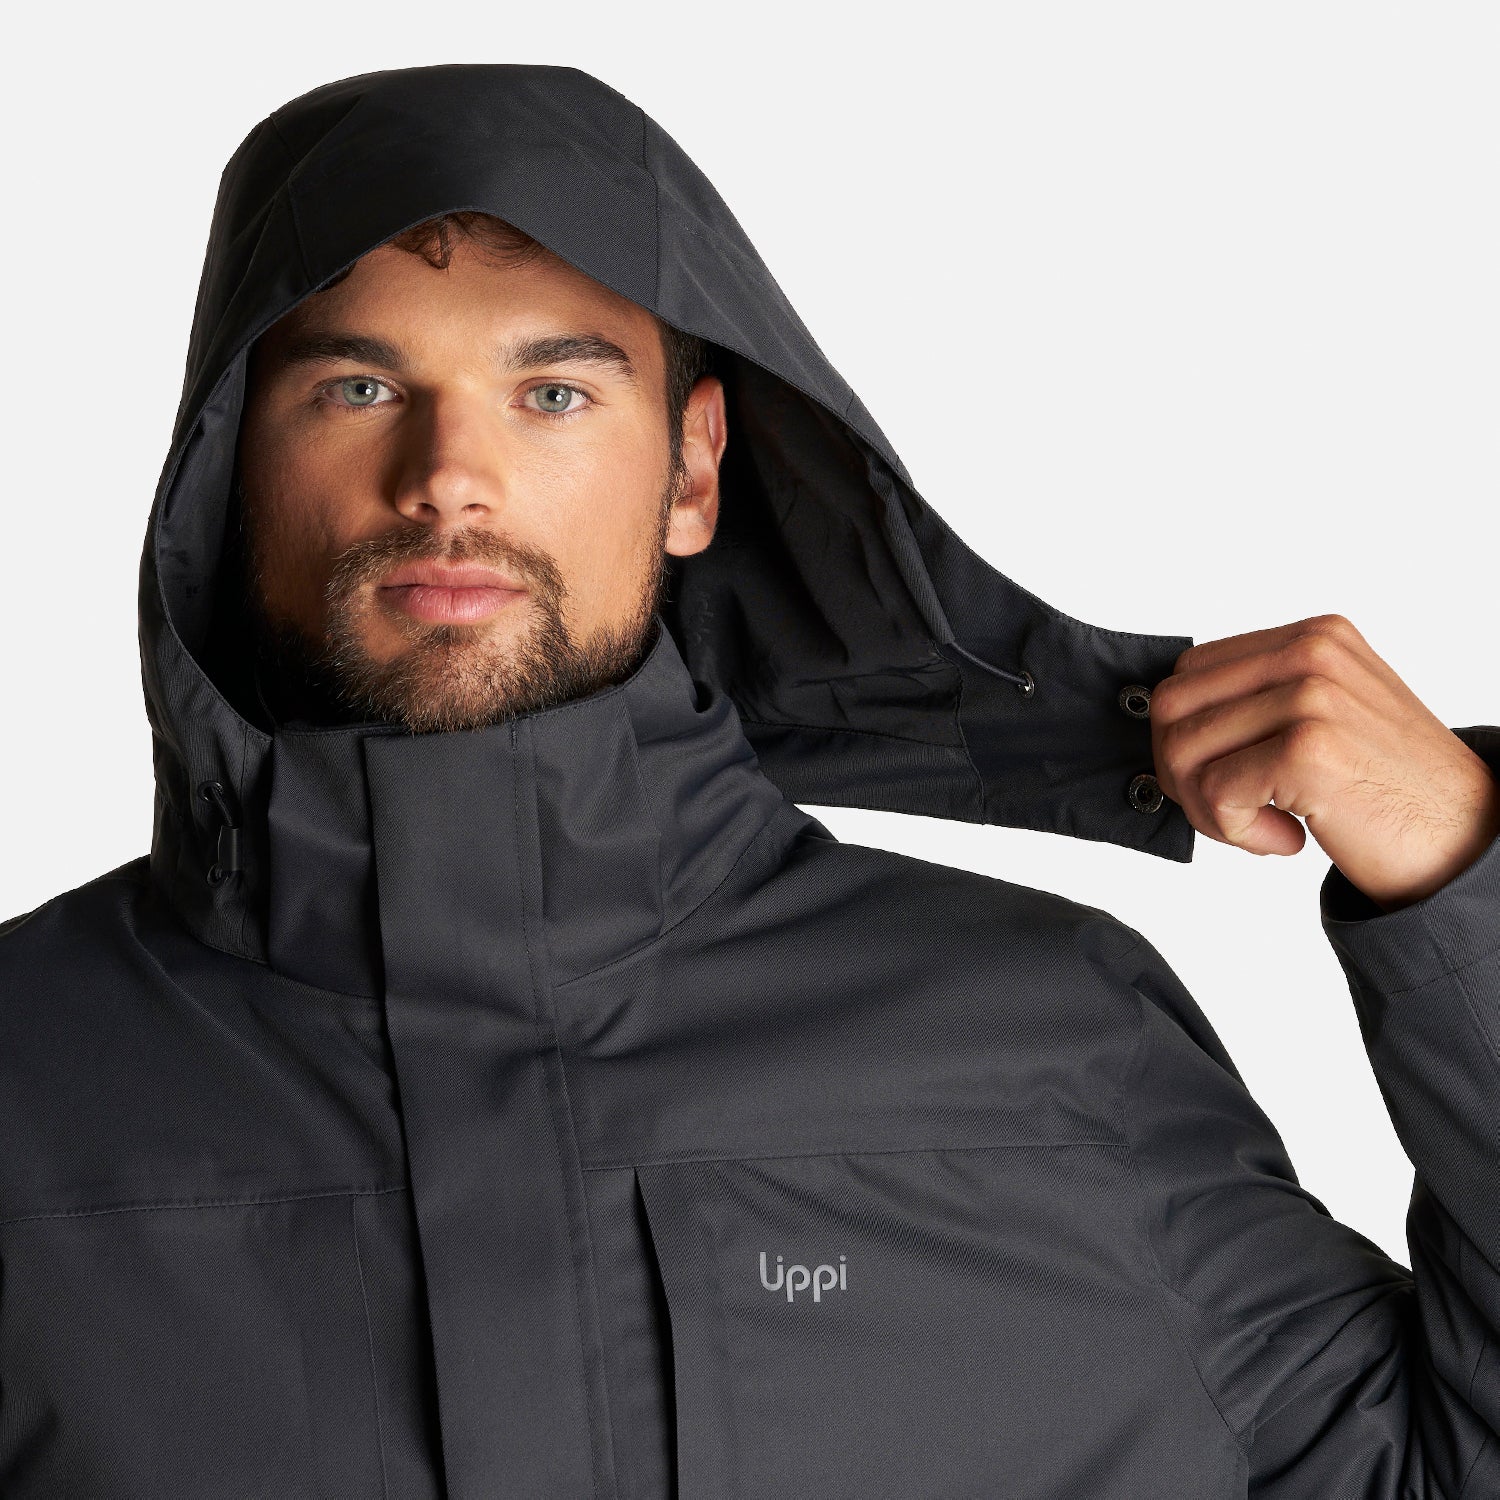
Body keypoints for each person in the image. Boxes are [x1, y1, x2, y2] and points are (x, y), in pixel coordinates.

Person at [1, 61, 1497, 1499]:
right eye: (357, 388)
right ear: (229, 472)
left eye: (554, 393)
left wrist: (1462, 881)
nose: (449, 474)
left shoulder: (1049, 1041)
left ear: (695, 470)